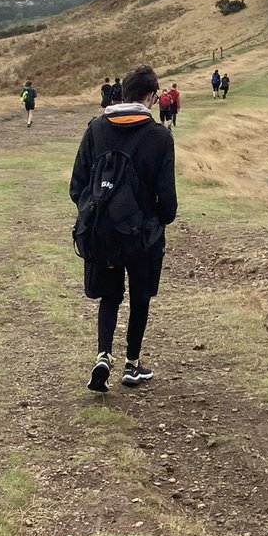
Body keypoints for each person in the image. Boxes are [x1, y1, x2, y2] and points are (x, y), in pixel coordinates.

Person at [69, 65, 177, 390]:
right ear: (152, 96)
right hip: (142, 236)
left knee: (109, 296)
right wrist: (157, 220)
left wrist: (95, 213)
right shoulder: (160, 136)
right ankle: (132, 364)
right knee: (140, 297)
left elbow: (77, 185)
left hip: (103, 233)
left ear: (122, 93)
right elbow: (168, 200)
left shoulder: (96, 128)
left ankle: (103, 355)